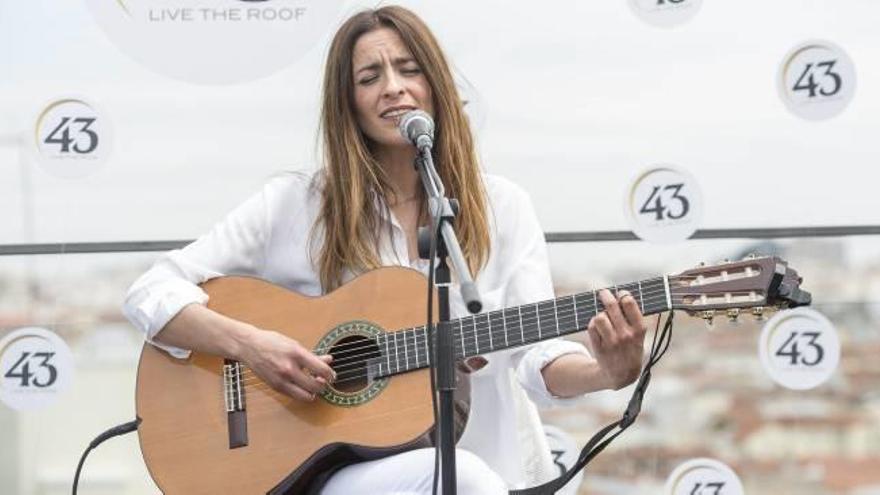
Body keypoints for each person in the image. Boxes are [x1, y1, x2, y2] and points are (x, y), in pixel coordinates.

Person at [123, 5, 648, 494]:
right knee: (460, 476)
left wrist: (608, 372)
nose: (393, 89)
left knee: (464, 474)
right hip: (336, 473)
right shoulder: (297, 205)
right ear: (347, 103)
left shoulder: (503, 206)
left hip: (482, 461)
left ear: (436, 85)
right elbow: (151, 292)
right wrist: (252, 345)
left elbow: (537, 356)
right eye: (369, 78)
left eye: (408, 70)